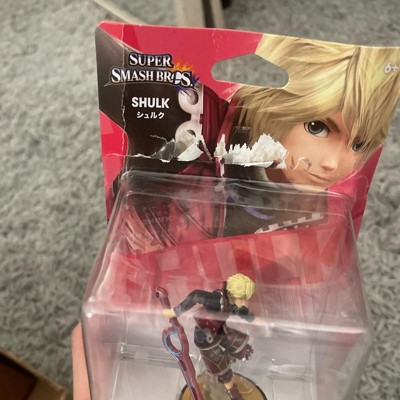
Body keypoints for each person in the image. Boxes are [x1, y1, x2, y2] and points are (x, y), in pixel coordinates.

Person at [220, 36, 400, 189]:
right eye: (316, 127)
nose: (332, 164)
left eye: (358, 145)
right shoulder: (219, 143)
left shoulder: (338, 197)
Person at [163, 273, 256, 400]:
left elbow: (239, 310)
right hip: (206, 339)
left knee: (242, 348)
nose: (244, 302)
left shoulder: (231, 302)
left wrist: (253, 318)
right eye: (242, 298)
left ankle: (227, 359)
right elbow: (196, 295)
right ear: (234, 294)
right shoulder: (216, 300)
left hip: (221, 332)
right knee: (221, 369)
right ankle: (233, 393)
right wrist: (175, 311)